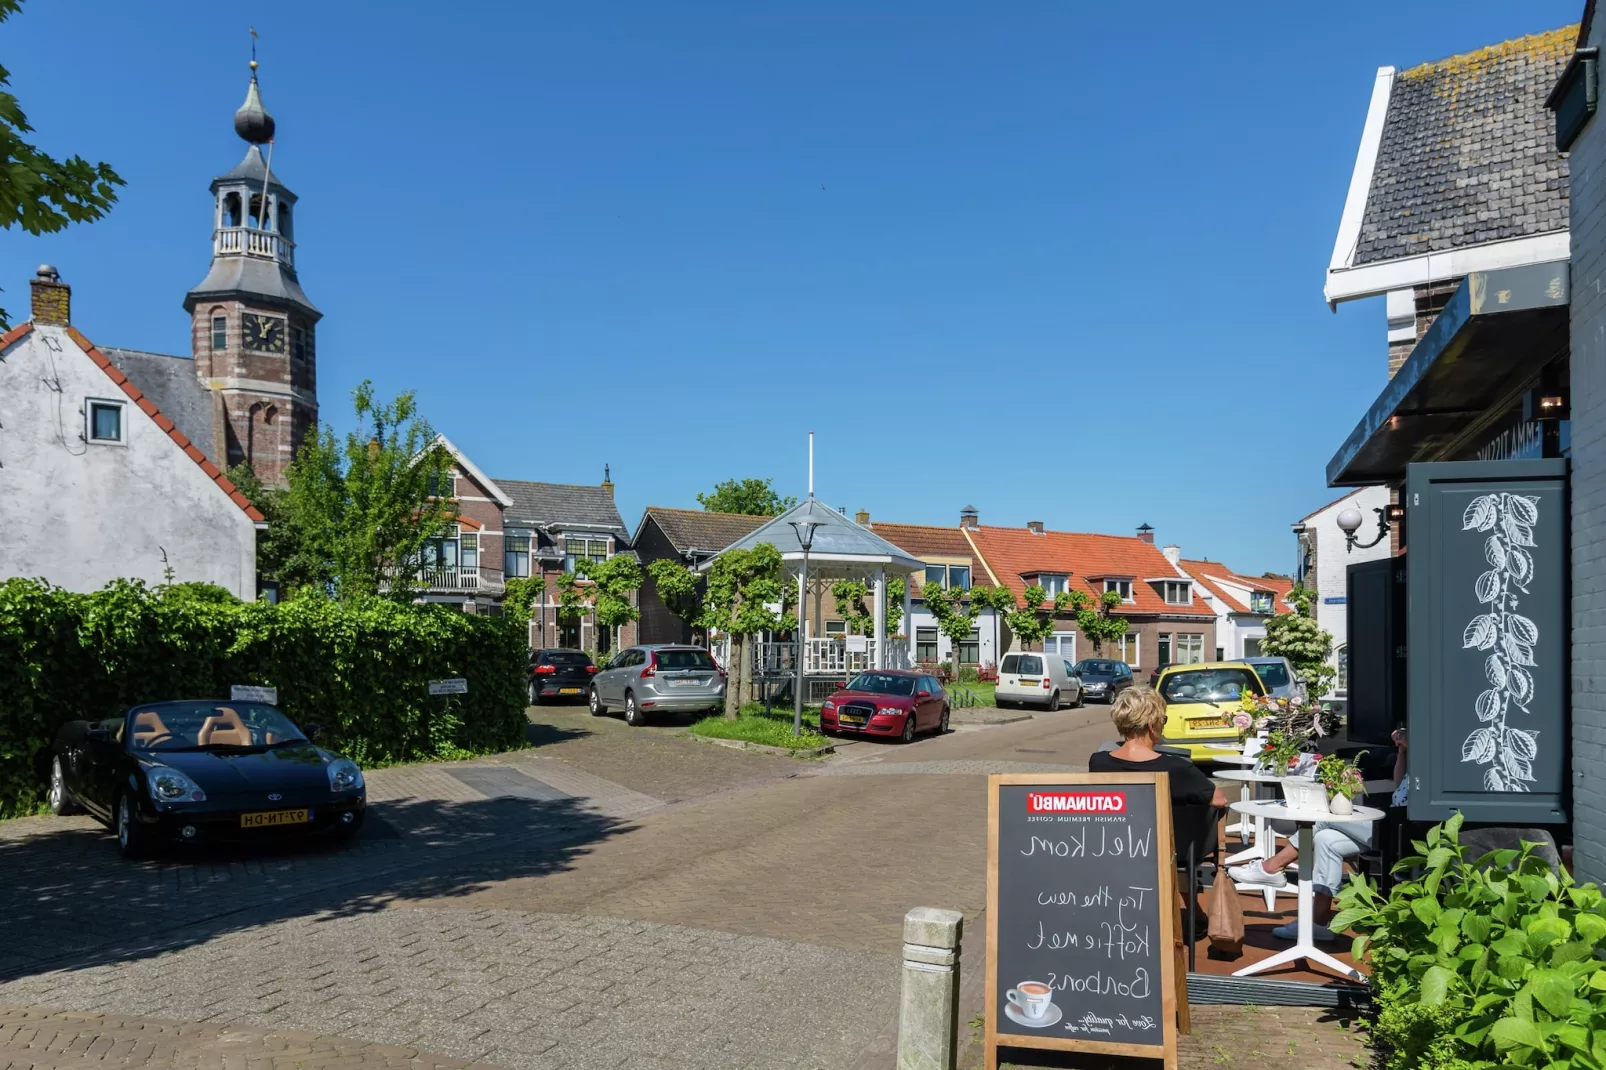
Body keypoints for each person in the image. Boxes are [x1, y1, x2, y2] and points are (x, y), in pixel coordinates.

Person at [1228, 728, 1408, 941]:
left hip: (1399, 828)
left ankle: (1272, 867)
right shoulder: (1413, 754)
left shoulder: (1433, 757)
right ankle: (1319, 922)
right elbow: (1399, 782)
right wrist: (1403, 751)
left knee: (1323, 818)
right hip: (1386, 824)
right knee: (1325, 839)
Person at [1089, 688, 1227, 809]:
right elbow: (1220, 801)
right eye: (1163, 720)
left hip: (1115, 837)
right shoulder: (1177, 769)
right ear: (1151, 725)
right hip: (1162, 837)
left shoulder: (1098, 762)